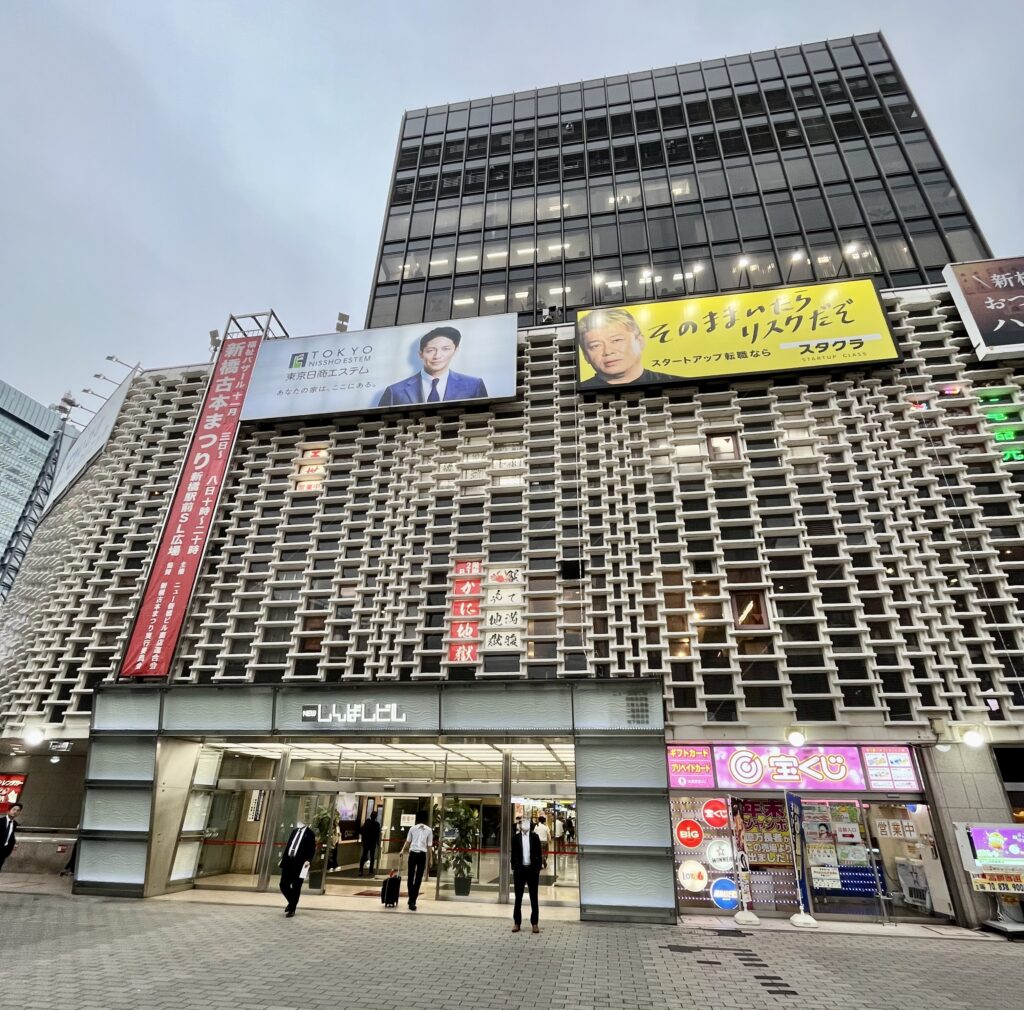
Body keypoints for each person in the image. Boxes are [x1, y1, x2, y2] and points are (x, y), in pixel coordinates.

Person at [376, 326, 488, 406]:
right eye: (430, 350)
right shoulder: (395, 391)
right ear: (421, 354)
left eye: (445, 349)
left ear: (455, 350)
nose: (437, 356)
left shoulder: (474, 385)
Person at [577, 308, 676, 388]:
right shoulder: (578, 394)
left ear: (640, 341)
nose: (608, 351)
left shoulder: (673, 382)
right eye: (595, 345)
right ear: (586, 356)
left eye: (616, 340)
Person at [510, 815, 542, 934]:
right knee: (518, 897)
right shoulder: (515, 838)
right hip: (520, 871)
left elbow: (539, 853)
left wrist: (537, 868)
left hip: (532, 871)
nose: (524, 824)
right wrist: (514, 867)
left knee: (534, 897)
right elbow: (513, 854)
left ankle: (534, 923)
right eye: (522, 822)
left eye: (526, 822)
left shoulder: (535, 837)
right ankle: (517, 923)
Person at [279, 820, 316, 918]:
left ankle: (292, 909)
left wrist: (308, 860)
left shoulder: (310, 834)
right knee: (283, 885)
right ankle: (292, 902)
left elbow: (311, 849)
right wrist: (283, 859)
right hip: (288, 861)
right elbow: (289, 845)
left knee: (296, 886)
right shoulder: (294, 831)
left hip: (300, 864)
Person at [401, 811, 434, 911]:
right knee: (412, 876)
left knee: (417, 877)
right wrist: (402, 850)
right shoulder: (413, 829)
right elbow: (428, 846)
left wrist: (430, 859)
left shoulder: (428, 830)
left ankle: (412, 900)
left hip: (420, 855)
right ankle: (412, 899)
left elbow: (428, 845)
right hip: (415, 854)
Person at [0, 803, 23, 873]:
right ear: (9, 811)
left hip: (3, 851)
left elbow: (11, 835)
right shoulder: (0, 821)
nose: (15, 812)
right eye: (14, 809)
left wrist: (11, 846)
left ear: (19, 813)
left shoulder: (15, 824)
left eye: (18, 810)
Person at [359, 810, 381, 877]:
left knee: (364, 855)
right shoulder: (377, 824)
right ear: (376, 816)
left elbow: (361, 831)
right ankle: (371, 870)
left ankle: (360, 870)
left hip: (366, 842)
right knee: (372, 856)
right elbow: (377, 835)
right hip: (372, 842)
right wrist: (378, 843)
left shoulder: (367, 823)